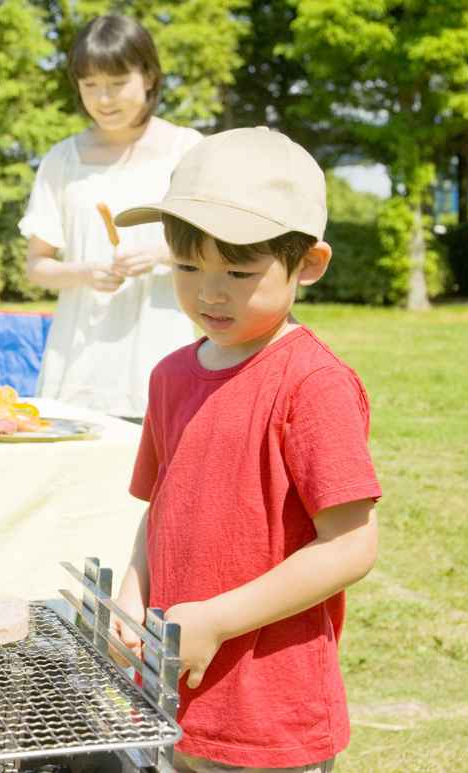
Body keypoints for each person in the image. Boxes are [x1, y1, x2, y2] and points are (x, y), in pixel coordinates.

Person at [109, 128, 381, 771]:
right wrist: (130, 591)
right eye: (188, 267)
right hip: (171, 694)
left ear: (308, 264)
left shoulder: (312, 384)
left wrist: (217, 620)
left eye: (237, 271)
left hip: (268, 713)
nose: (209, 292)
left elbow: (350, 544)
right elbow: (162, 506)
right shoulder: (170, 376)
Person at [20, 14, 202, 419]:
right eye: (90, 86)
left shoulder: (187, 150)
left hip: (161, 348)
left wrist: (160, 253)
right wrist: (85, 272)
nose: (104, 99)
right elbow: (37, 265)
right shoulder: (61, 160)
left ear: (150, 76)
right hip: (79, 362)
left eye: (118, 84)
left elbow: (222, 243)